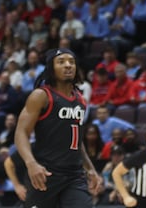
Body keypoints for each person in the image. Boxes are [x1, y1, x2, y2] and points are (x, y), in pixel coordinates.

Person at [14, 48, 101, 208]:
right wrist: (31, 163)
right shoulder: (41, 96)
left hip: (74, 175)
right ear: (51, 68)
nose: (68, 65)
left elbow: (76, 139)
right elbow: (21, 132)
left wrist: (89, 168)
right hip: (46, 173)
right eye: (61, 62)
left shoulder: (80, 99)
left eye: (71, 62)